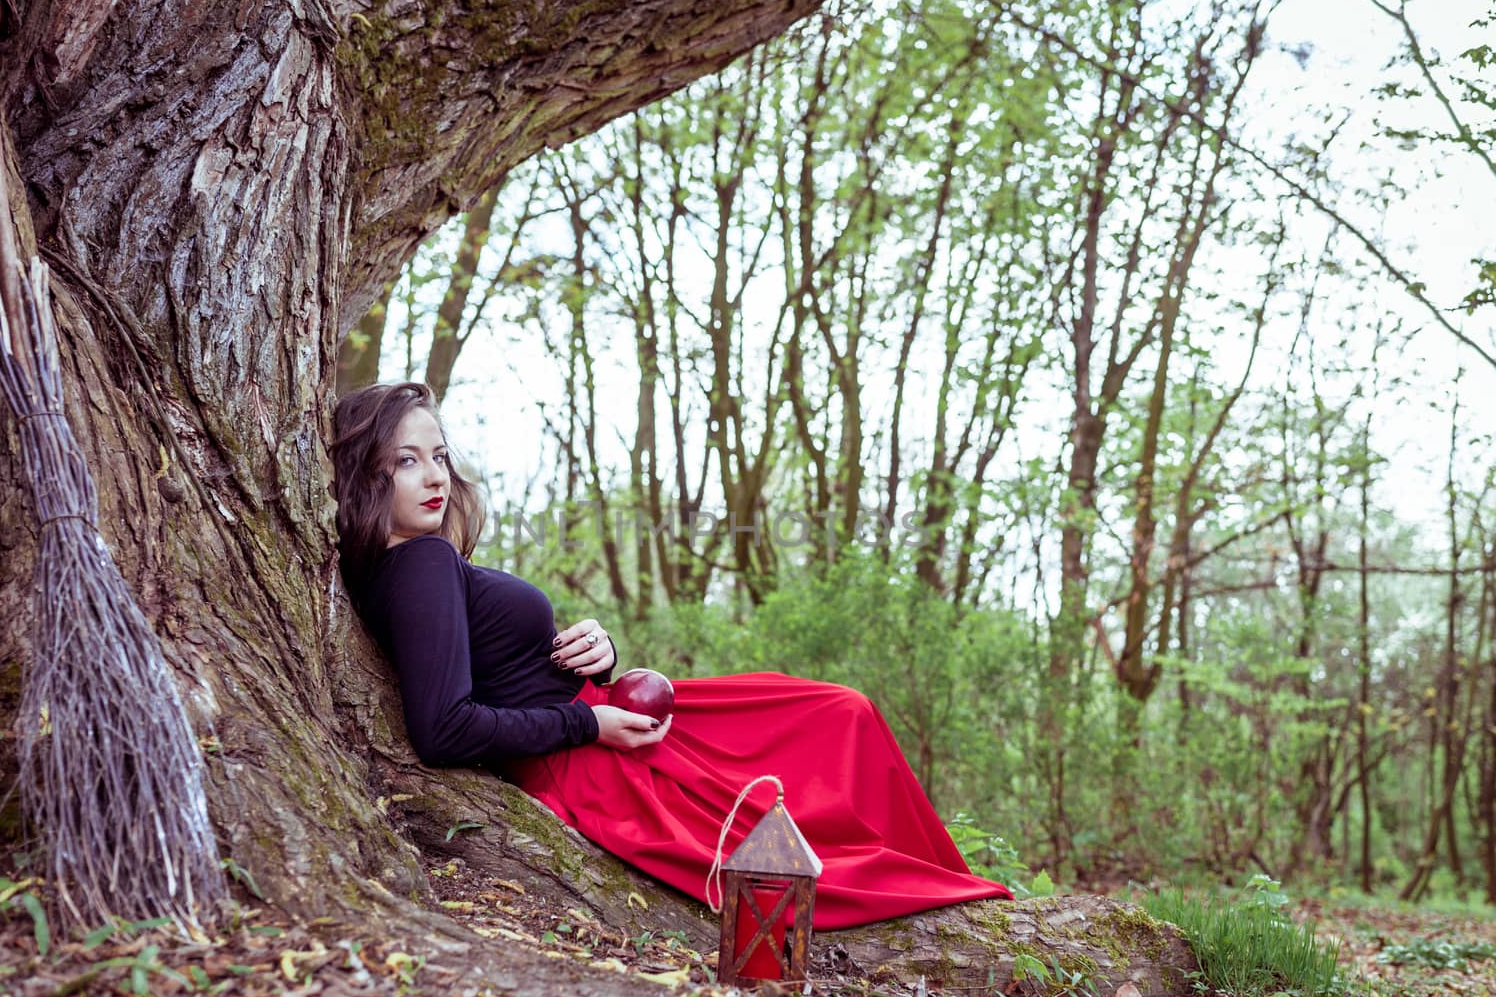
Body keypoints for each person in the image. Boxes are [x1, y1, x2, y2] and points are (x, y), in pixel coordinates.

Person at [332, 382, 1010, 928]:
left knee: (836, 713)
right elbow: (444, 728)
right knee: (814, 767)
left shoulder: (417, 563)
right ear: (368, 477)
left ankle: (941, 872)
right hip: (589, 758)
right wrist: (589, 722)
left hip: (601, 717)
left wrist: (594, 658)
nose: (434, 476)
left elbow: (490, 666)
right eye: (406, 460)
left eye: (439, 455)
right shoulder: (419, 562)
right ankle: (940, 879)